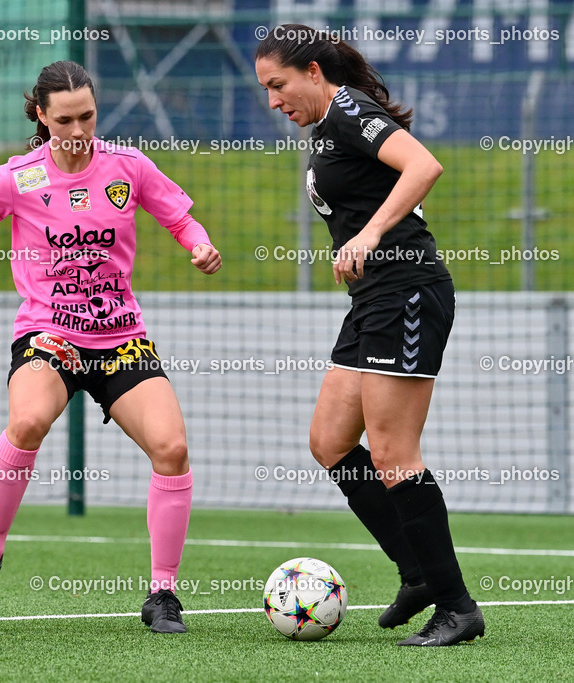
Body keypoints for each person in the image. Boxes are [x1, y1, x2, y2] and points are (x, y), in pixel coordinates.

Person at [0, 60, 221, 635]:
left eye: (87, 115)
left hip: (120, 338)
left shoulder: (127, 167)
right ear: (41, 115)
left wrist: (200, 246)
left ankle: (163, 594)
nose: (79, 130)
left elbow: (182, 220)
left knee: (172, 447)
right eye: (65, 119)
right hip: (49, 335)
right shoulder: (16, 177)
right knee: (28, 420)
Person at [254, 24, 484, 646]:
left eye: (278, 85)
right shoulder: (329, 126)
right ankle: (416, 575)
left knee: (393, 454)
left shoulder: (349, 109)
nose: (274, 101)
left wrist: (369, 233)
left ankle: (456, 607)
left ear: (312, 72)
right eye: (266, 91)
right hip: (372, 301)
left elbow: (423, 164)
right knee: (330, 441)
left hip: (407, 291)